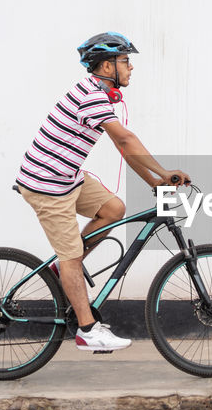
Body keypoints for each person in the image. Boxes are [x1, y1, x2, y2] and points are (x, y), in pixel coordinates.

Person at [14, 32, 190, 352]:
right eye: (125, 61)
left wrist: (156, 184)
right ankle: (87, 330)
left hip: (67, 177)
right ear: (107, 66)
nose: (131, 68)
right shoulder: (91, 95)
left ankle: (62, 270)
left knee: (113, 209)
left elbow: (124, 150)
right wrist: (164, 172)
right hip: (47, 185)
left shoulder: (100, 94)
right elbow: (125, 140)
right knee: (71, 256)